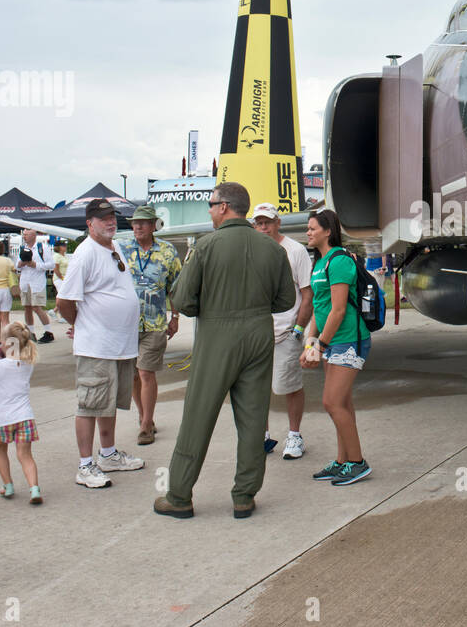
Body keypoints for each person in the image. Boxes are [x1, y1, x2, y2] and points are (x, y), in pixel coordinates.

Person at [153, 182, 294, 519]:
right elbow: (286, 300)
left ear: (225, 207)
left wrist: (211, 304)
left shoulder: (206, 246)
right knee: (253, 417)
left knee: (198, 415)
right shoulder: (274, 249)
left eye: (211, 204)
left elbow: (183, 300)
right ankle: (244, 496)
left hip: (218, 334)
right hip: (260, 334)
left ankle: (179, 495)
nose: (210, 211)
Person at [53, 199, 145, 489]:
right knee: (90, 404)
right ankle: (85, 465)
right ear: (89, 223)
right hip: (96, 345)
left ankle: (108, 454)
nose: (110, 222)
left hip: (119, 344)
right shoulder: (85, 253)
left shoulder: (113, 247)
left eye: (112, 217)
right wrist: (79, 324)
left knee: (107, 404)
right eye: (103, 218)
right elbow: (65, 300)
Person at [301, 209, 372, 486]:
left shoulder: (339, 261)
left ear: (327, 231)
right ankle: (342, 461)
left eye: (312, 228)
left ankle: (357, 463)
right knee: (341, 402)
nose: (308, 232)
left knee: (331, 402)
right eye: (307, 228)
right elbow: (320, 310)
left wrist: (319, 346)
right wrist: (310, 343)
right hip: (333, 340)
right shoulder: (319, 264)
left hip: (349, 340)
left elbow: (339, 310)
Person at [116, 205, 181, 446]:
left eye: (143, 223)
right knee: (133, 374)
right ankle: (144, 416)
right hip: (126, 323)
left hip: (154, 322)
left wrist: (175, 317)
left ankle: (146, 424)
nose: (138, 227)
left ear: (154, 225)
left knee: (146, 372)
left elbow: (175, 287)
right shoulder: (122, 249)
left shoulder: (167, 251)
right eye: (134, 223)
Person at [253, 201, 313, 459]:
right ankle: (262, 436)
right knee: (256, 387)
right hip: (257, 333)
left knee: (288, 385)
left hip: (286, 332)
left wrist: (299, 329)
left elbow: (307, 293)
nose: (263, 226)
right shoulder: (251, 251)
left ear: (278, 223)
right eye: (259, 222)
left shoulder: (295, 250)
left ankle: (295, 435)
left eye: (267, 221)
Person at [0, 322, 42, 504]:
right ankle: (34, 488)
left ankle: (8, 485)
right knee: (25, 455)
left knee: (0, 450)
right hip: (24, 416)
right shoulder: (28, 365)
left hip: (2, 418)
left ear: (6, 343)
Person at [15, 228, 55, 344]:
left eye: (27, 235)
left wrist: (35, 265)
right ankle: (30, 333)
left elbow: (51, 264)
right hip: (25, 282)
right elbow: (17, 266)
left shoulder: (42, 248)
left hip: (37, 282)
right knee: (27, 307)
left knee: (37, 307)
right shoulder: (23, 249)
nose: (24, 237)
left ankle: (48, 332)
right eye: (24, 235)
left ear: (34, 235)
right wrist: (20, 264)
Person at [49, 239, 70, 321]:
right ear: (59, 247)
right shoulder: (56, 256)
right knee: (63, 296)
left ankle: (54, 311)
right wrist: (62, 278)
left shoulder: (65, 256)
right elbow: (56, 269)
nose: (65, 247)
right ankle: (63, 315)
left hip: (65, 278)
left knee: (64, 296)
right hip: (59, 279)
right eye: (63, 246)